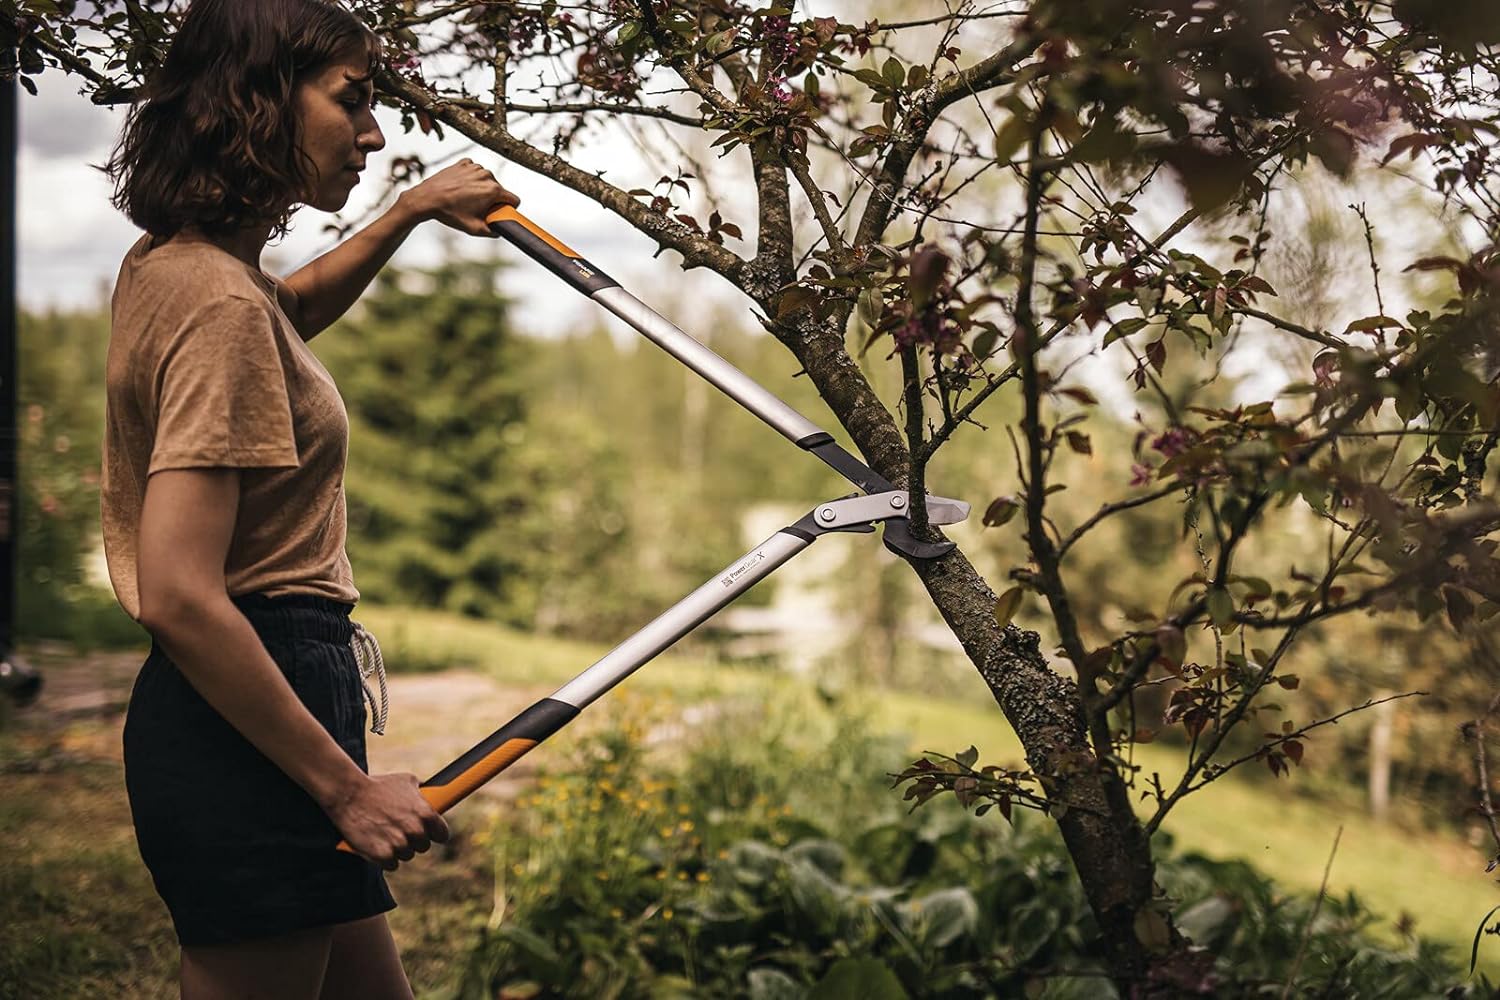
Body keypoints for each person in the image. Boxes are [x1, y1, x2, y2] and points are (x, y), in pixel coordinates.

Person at [98, 1, 519, 996]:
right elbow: (181, 593)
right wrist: (344, 787)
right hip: (249, 704)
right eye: (351, 101)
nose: (374, 135)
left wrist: (406, 214)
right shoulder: (217, 300)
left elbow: (281, 317)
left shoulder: (179, 269)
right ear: (258, 98)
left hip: (265, 694)